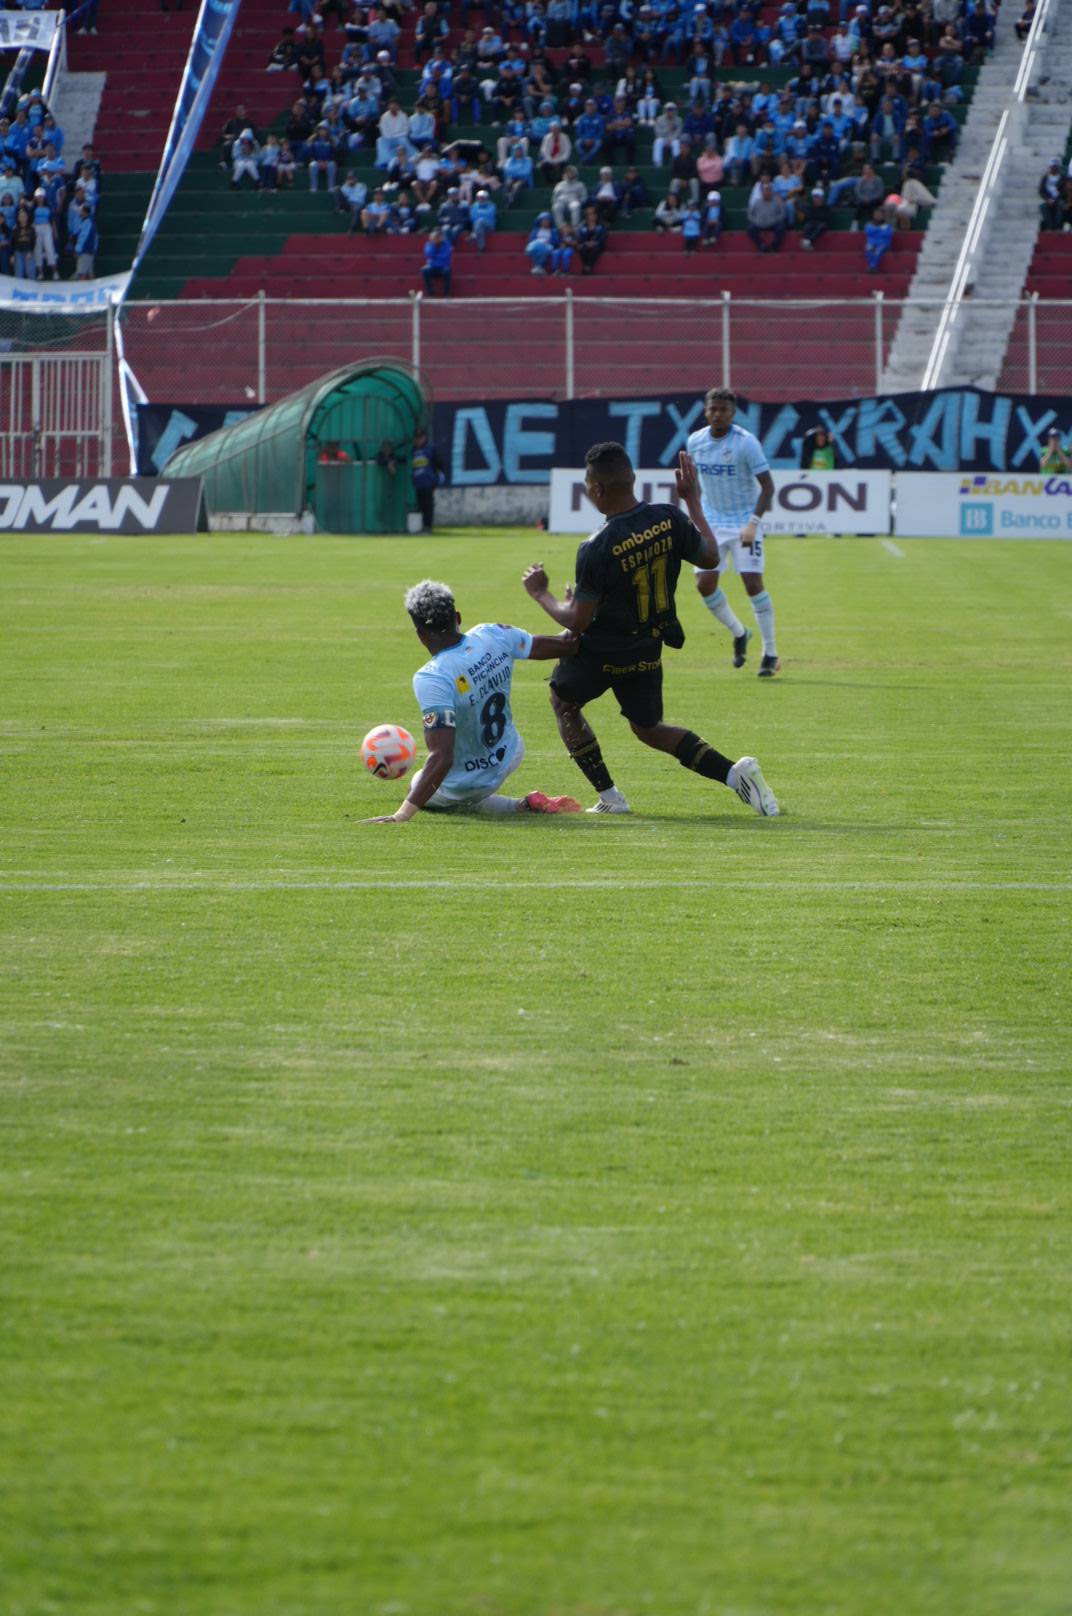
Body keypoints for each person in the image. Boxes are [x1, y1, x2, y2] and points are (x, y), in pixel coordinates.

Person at [520, 445, 779, 818]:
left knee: (564, 704)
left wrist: (540, 593)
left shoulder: (596, 546)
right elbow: (710, 557)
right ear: (632, 478)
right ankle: (735, 775)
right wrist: (693, 500)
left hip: (601, 649)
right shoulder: (669, 517)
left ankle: (611, 798)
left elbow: (577, 621)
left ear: (597, 489)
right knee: (648, 728)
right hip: (646, 646)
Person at [366, 580, 582, 823]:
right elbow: (567, 645)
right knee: (440, 782)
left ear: (420, 635)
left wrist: (401, 815)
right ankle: (523, 803)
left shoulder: (433, 677)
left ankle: (518, 805)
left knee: (418, 785)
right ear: (458, 617)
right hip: (511, 753)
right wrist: (574, 614)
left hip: (470, 780)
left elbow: (442, 757)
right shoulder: (493, 634)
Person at [686, 387, 780, 677]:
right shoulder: (695, 441)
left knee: (752, 583)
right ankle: (740, 632)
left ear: (733, 413)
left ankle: (770, 653)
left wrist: (753, 523)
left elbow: (768, 487)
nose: (717, 414)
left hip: (743, 522)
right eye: (713, 409)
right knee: (704, 584)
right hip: (711, 523)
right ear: (705, 412)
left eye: (723, 410)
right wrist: (696, 518)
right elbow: (693, 483)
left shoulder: (746, 443)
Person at [411, 427, 444, 530]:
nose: (418, 440)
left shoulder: (430, 449)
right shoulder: (413, 450)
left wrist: (436, 474)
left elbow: (439, 462)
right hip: (418, 482)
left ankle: (428, 526)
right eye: (417, 438)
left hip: (428, 481)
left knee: (428, 505)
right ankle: (420, 526)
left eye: (420, 438)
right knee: (420, 505)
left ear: (425, 438)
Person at [422, 227, 453, 296]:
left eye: (438, 236)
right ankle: (430, 292)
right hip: (432, 267)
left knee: (447, 271)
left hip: (443, 267)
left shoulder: (447, 244)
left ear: (441, 237)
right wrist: (434, 245)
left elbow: (445, 256)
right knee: (424, 270)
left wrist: (434, 258)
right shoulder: (429, 244)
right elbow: (429, 254)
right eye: (435, 237)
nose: (436, 238)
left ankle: (446, 292)